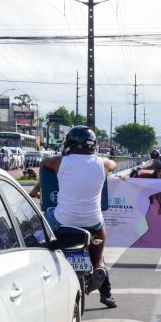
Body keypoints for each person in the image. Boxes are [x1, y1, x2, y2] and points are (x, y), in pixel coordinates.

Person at [31, 126, 119, 308]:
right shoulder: (102, 164)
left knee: (39, 230)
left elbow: (45, 162)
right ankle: (104, 285)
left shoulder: (60, 162)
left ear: (70, 144)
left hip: (63, 220)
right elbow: (114, 165)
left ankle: (38, 268)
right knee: (100, 245)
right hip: (93, 222)